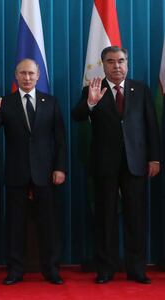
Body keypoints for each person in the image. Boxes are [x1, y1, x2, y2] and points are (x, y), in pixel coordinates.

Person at [72, 46, 160, 284]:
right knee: (105, 219)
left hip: (136, 163)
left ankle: (137, 269)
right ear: (103, 65)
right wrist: (90, 103)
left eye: (121, 61)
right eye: (111, 62)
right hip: (104, 164)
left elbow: (151, 125)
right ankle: (106, 269)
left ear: (127, 63)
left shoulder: (140, 89)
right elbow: (76, 116)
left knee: (136, 218)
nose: (117, 66)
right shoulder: (92, 89)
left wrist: (154, 158)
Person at [0, 58, 67, 285]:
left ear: (38, 75)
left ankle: (51, 270)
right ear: (16, 76)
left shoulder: (51, 102)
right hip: (16, 172)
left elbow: (60, 138)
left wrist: (60, 167)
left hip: (46, 173)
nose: (27, 77)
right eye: (23, 73)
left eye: (31, 73)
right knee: (15, 225)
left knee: (48, 225)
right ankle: (15, 270)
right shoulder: (5, 103)